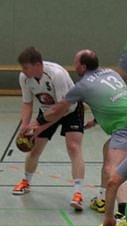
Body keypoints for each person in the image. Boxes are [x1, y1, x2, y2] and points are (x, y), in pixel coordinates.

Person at [33, 49, 127, 226]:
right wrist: (95, 121)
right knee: (107, 150)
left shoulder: (82, 86)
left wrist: (37, 123)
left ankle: (125, 214)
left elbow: (58, 109)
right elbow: (114, 99)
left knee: (114, 168)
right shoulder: (110, 72)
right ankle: (102, 200)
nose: (74, 66)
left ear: (83, 66)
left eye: (76, 63)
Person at [12, 47, 87, 212]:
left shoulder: (56, 74)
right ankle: (26, 181)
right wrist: (25, 125)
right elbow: (27, 103)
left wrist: (39, 127)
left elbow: (62, 109)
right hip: (47, 110)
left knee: (73, 147)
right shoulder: (24, 77)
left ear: (37, 65)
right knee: (35, 148)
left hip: (70, 109)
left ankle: (78, 194)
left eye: (26, 67)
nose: (22, 71)